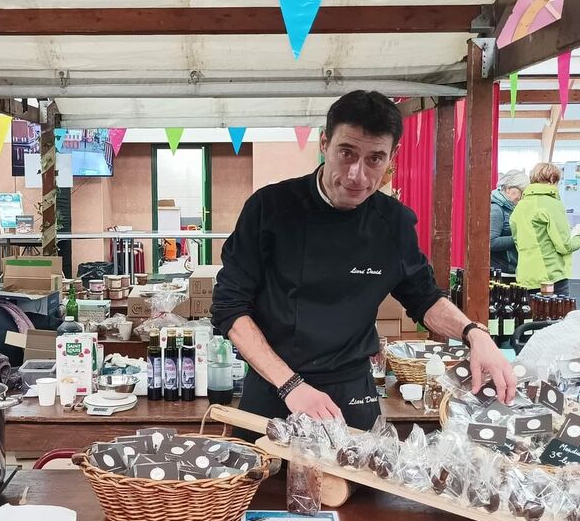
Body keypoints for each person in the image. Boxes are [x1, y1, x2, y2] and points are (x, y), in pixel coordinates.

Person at [212, 90, 516, 430]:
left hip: (351, 391)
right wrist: (290, 385)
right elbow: (230, 307)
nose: (358, 174)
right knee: (261, 483)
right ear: (325, 144)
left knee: (359, 482)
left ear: (391, 157)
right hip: (273, 387)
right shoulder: (270, 208)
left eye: (374, 158)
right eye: (347, 153)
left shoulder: (394, 223)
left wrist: (475, 334)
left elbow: (424, 297)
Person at [510, 162, 580, 294]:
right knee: (558, 314)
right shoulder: (552, 205)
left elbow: (517, 241)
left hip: (526, 275)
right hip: (551, 276)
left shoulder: (519, 206)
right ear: (553, 180)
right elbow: (564, 246)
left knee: (531, 313)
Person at [489, 170, 528, 276]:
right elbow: (491, 242)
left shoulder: (508, 207)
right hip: (500, 268)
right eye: (521, 192)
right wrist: (519, 238)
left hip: (505, 266)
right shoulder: (496, 209)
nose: (521, 197)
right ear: (508, 188)